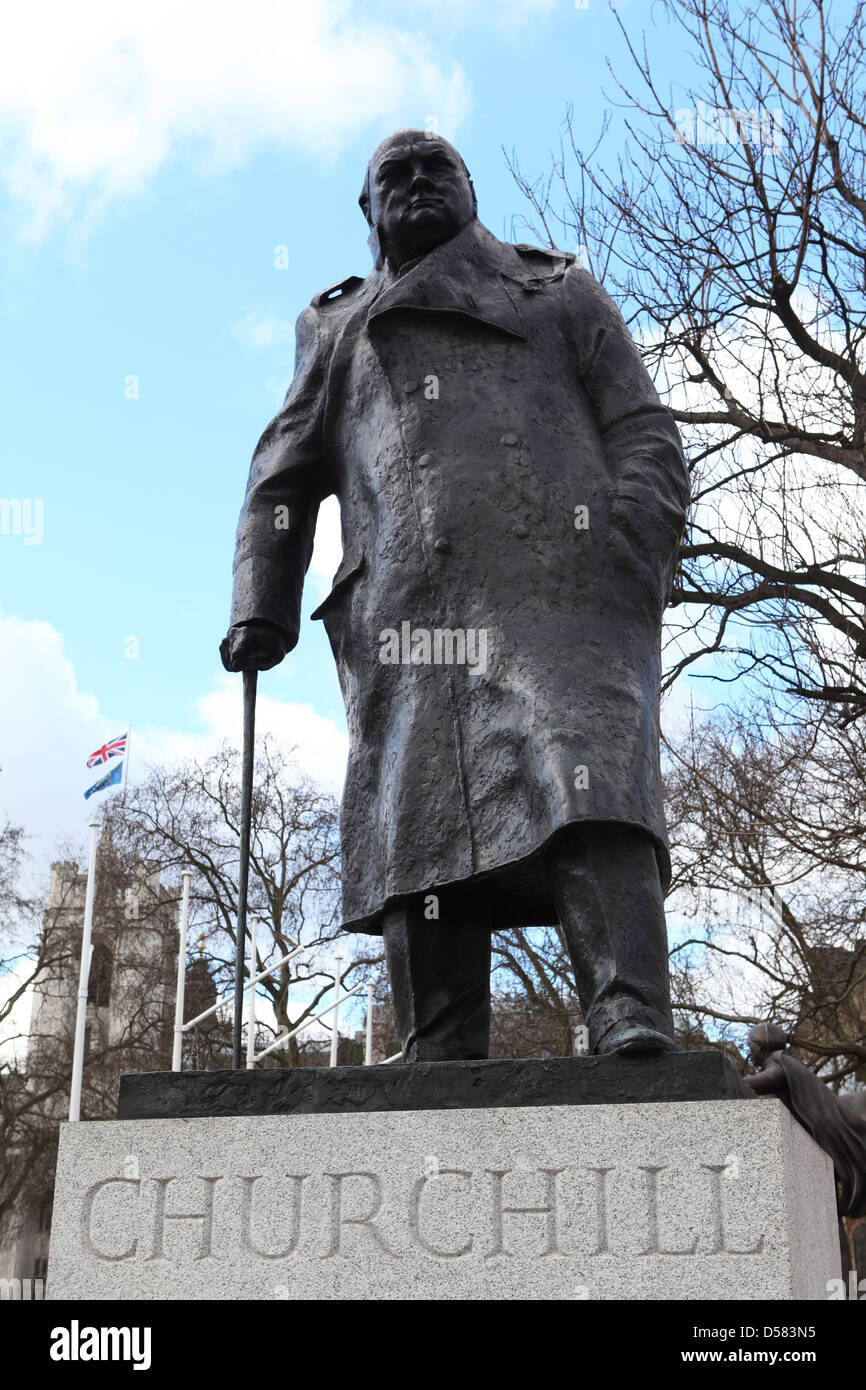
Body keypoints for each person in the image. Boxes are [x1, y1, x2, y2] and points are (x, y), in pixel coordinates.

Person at [221, 130, 690, 1062]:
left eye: (440, 168)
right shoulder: (335, 328)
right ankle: (437, 1039)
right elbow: (281, 477)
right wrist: (259, 604)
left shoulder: (555, 289)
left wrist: (631, 545)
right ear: (368, 213)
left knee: (583, 769)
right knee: (417, 811)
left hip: (563, 587)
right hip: (408, 603)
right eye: (395, 175)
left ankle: (627, 1008)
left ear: (472, 188)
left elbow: (642, 426)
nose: (420, 182)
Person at [747, 1022, 866, 1217]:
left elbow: (767, 1080)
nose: (749, 1052)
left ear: (759, 1046)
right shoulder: (788, 1063)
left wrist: (731, 1081)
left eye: (750, 1046)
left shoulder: (779, 1062)